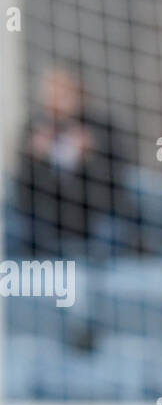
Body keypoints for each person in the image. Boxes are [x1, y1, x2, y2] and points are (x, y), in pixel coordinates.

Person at [13, 63, 134, 261]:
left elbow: (116, 185)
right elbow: (23, 190)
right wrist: (35, 158)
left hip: (94, 215)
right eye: (51, 93)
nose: (55, 100)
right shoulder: (34, 128)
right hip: (48, 217)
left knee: (112, 231)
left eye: (63, 94)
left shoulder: (101, 128)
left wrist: (90, 158)